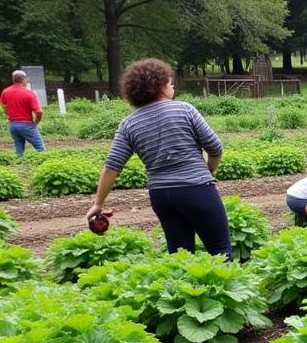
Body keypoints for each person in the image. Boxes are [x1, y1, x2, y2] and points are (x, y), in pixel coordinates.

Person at [87, 58, 232, 257]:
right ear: (160, 86)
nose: (172, 85)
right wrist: (209, 172)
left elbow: (112, 167)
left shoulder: (128, 124)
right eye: (169, 82)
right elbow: (215, 148)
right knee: (220, 251)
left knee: (180, 257)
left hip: (161, 196)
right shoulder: (185, 109)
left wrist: (98, 203)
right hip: (196, 189)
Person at [0, 70, 45, 156]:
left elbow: (3, 105)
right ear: (23, 79)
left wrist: (9, 114)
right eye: (27, 79)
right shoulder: (28, 93)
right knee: (40, 148)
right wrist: (36, 122)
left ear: (14, 80)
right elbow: (38, 111)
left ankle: (18, 163)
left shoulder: (5, 91)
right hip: (26, 124)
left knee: (19, 147)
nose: (27, 81)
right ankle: (44, 165)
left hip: (12, 125)